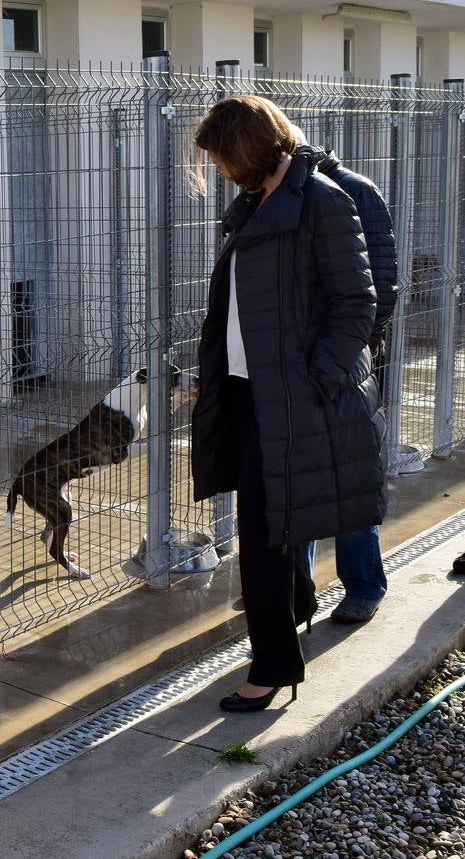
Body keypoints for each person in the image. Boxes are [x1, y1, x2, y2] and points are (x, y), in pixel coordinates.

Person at [191, 95, 387, 712]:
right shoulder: (255, 202)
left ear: (248, 148)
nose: (219, 168)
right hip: (250, 394)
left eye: (223, 155)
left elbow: (358, 303)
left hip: (294, 398)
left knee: (265, 536)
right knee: (269, 532)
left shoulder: (323, 202)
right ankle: (284, 640)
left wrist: (317, 378)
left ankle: (271, 669)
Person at [293, 127, 397, 624]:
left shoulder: (353, 191)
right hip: (302, 364)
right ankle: (299, 591)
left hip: (347, 361)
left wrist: (353, 352)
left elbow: (380, 285)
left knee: (352, 477)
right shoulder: (283, 195)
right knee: (304, 481)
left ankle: (364, 584)